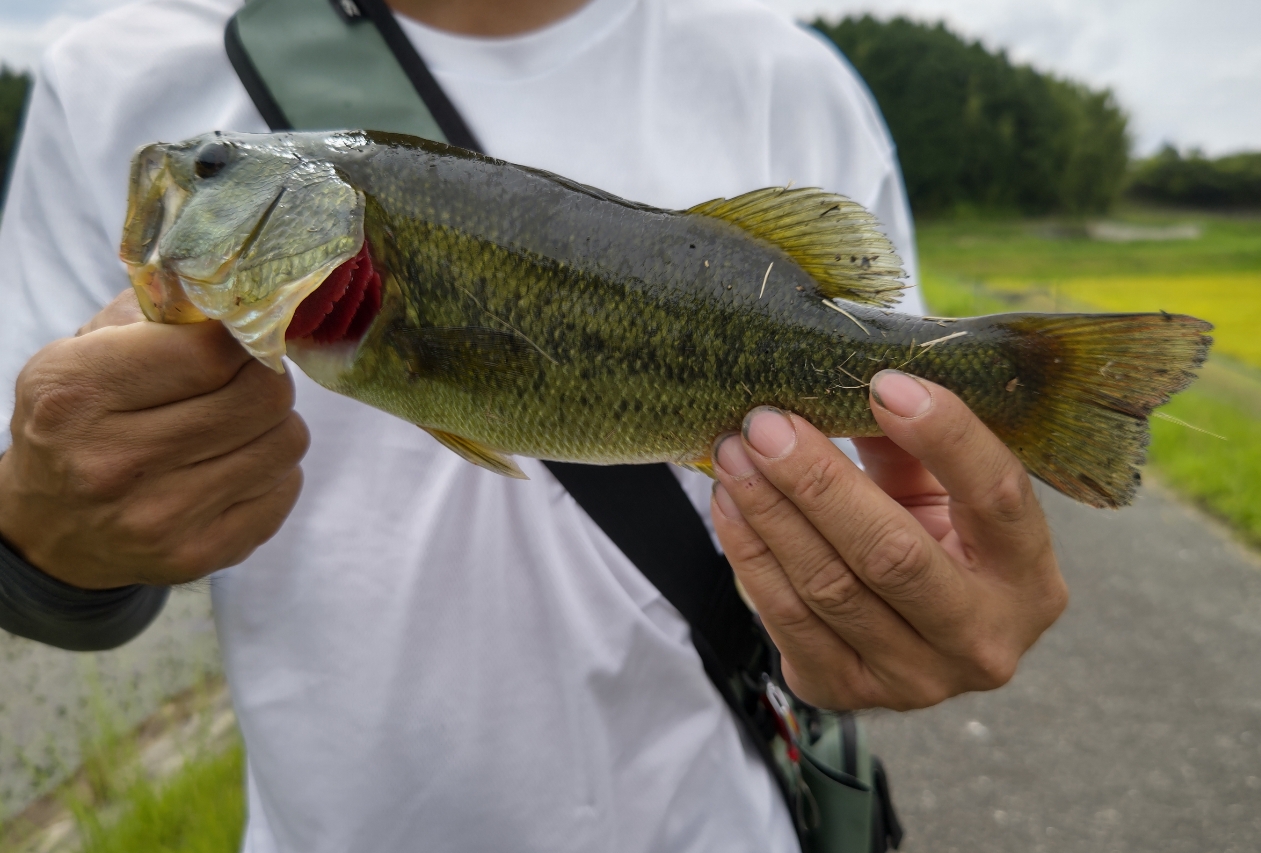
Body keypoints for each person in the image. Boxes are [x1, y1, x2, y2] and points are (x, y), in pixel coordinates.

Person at [0, 0, 1068, 850]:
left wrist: (902, 606)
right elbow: (34, 566)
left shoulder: (793, 81)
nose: (189, 180)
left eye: (219, 169)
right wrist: (51, 532)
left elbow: (901, 498)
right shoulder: (112, 77)